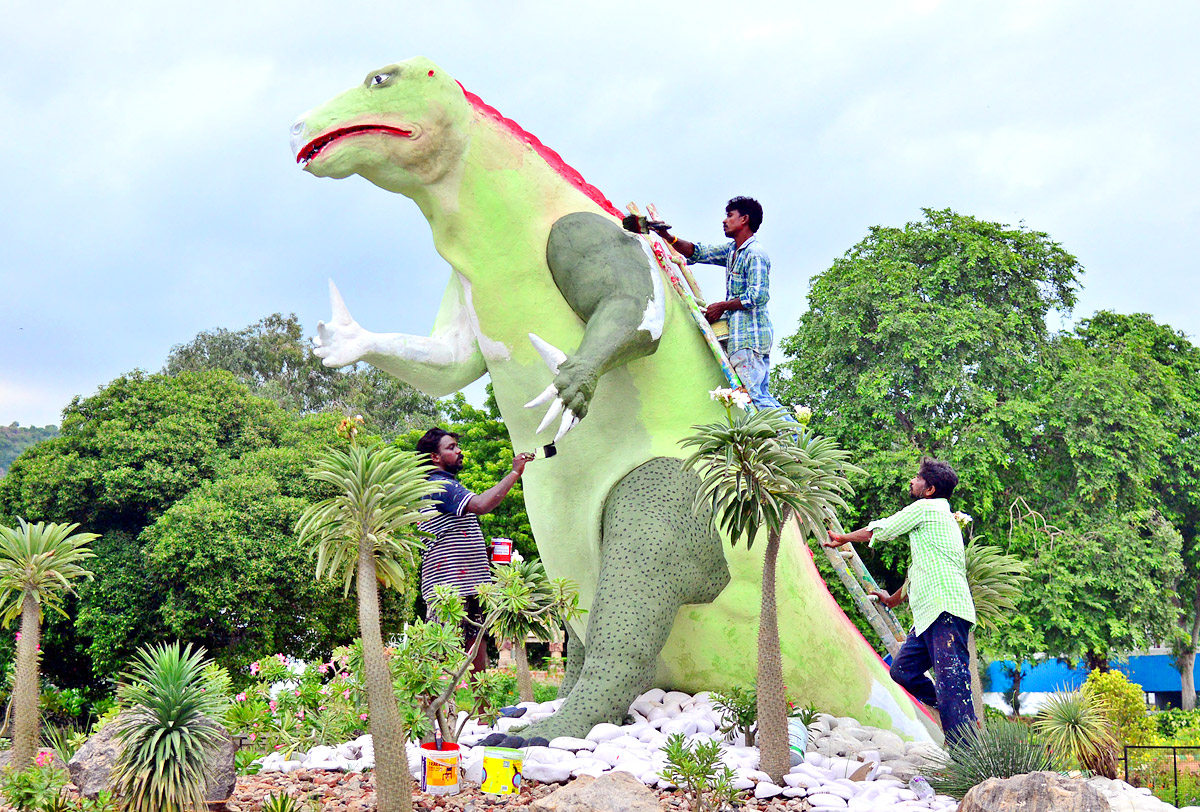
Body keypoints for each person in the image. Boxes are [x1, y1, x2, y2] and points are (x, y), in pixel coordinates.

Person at [823, 459, 977, 745]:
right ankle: (951, 705)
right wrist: (892, 599)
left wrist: (842, 538)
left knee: (952, 685)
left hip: (945, 611)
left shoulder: (926, 509)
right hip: (931, 615)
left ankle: (966, 760)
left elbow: (881, 530)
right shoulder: (938, 520)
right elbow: (919, 574)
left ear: (929, 489)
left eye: (917, 478)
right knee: (902, 670)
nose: (912, 482)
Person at [415, 427, 533, 673]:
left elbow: (447, 535)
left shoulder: (440, 486)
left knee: (474, 650)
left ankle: (482, 711)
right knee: (441, 652)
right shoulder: (441, 485)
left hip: (463, 582)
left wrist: (483, 553)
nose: (459, 452)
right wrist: (514, 473)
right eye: (451, 448)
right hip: (449, 587)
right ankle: (440, 710)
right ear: (434, 457)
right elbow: (481, 504)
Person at [651, 196, 786, 411]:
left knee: (755, 396)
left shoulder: (754, 253)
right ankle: (793, 438)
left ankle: (794, 440)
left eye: (730, 216)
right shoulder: (732, 251)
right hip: (741, 337)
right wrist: (667, 237)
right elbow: (699, 252)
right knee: (758, 395)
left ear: (744, 219)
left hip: (750, 337)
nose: (724, 220)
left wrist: (721, 306)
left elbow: (758, 295)